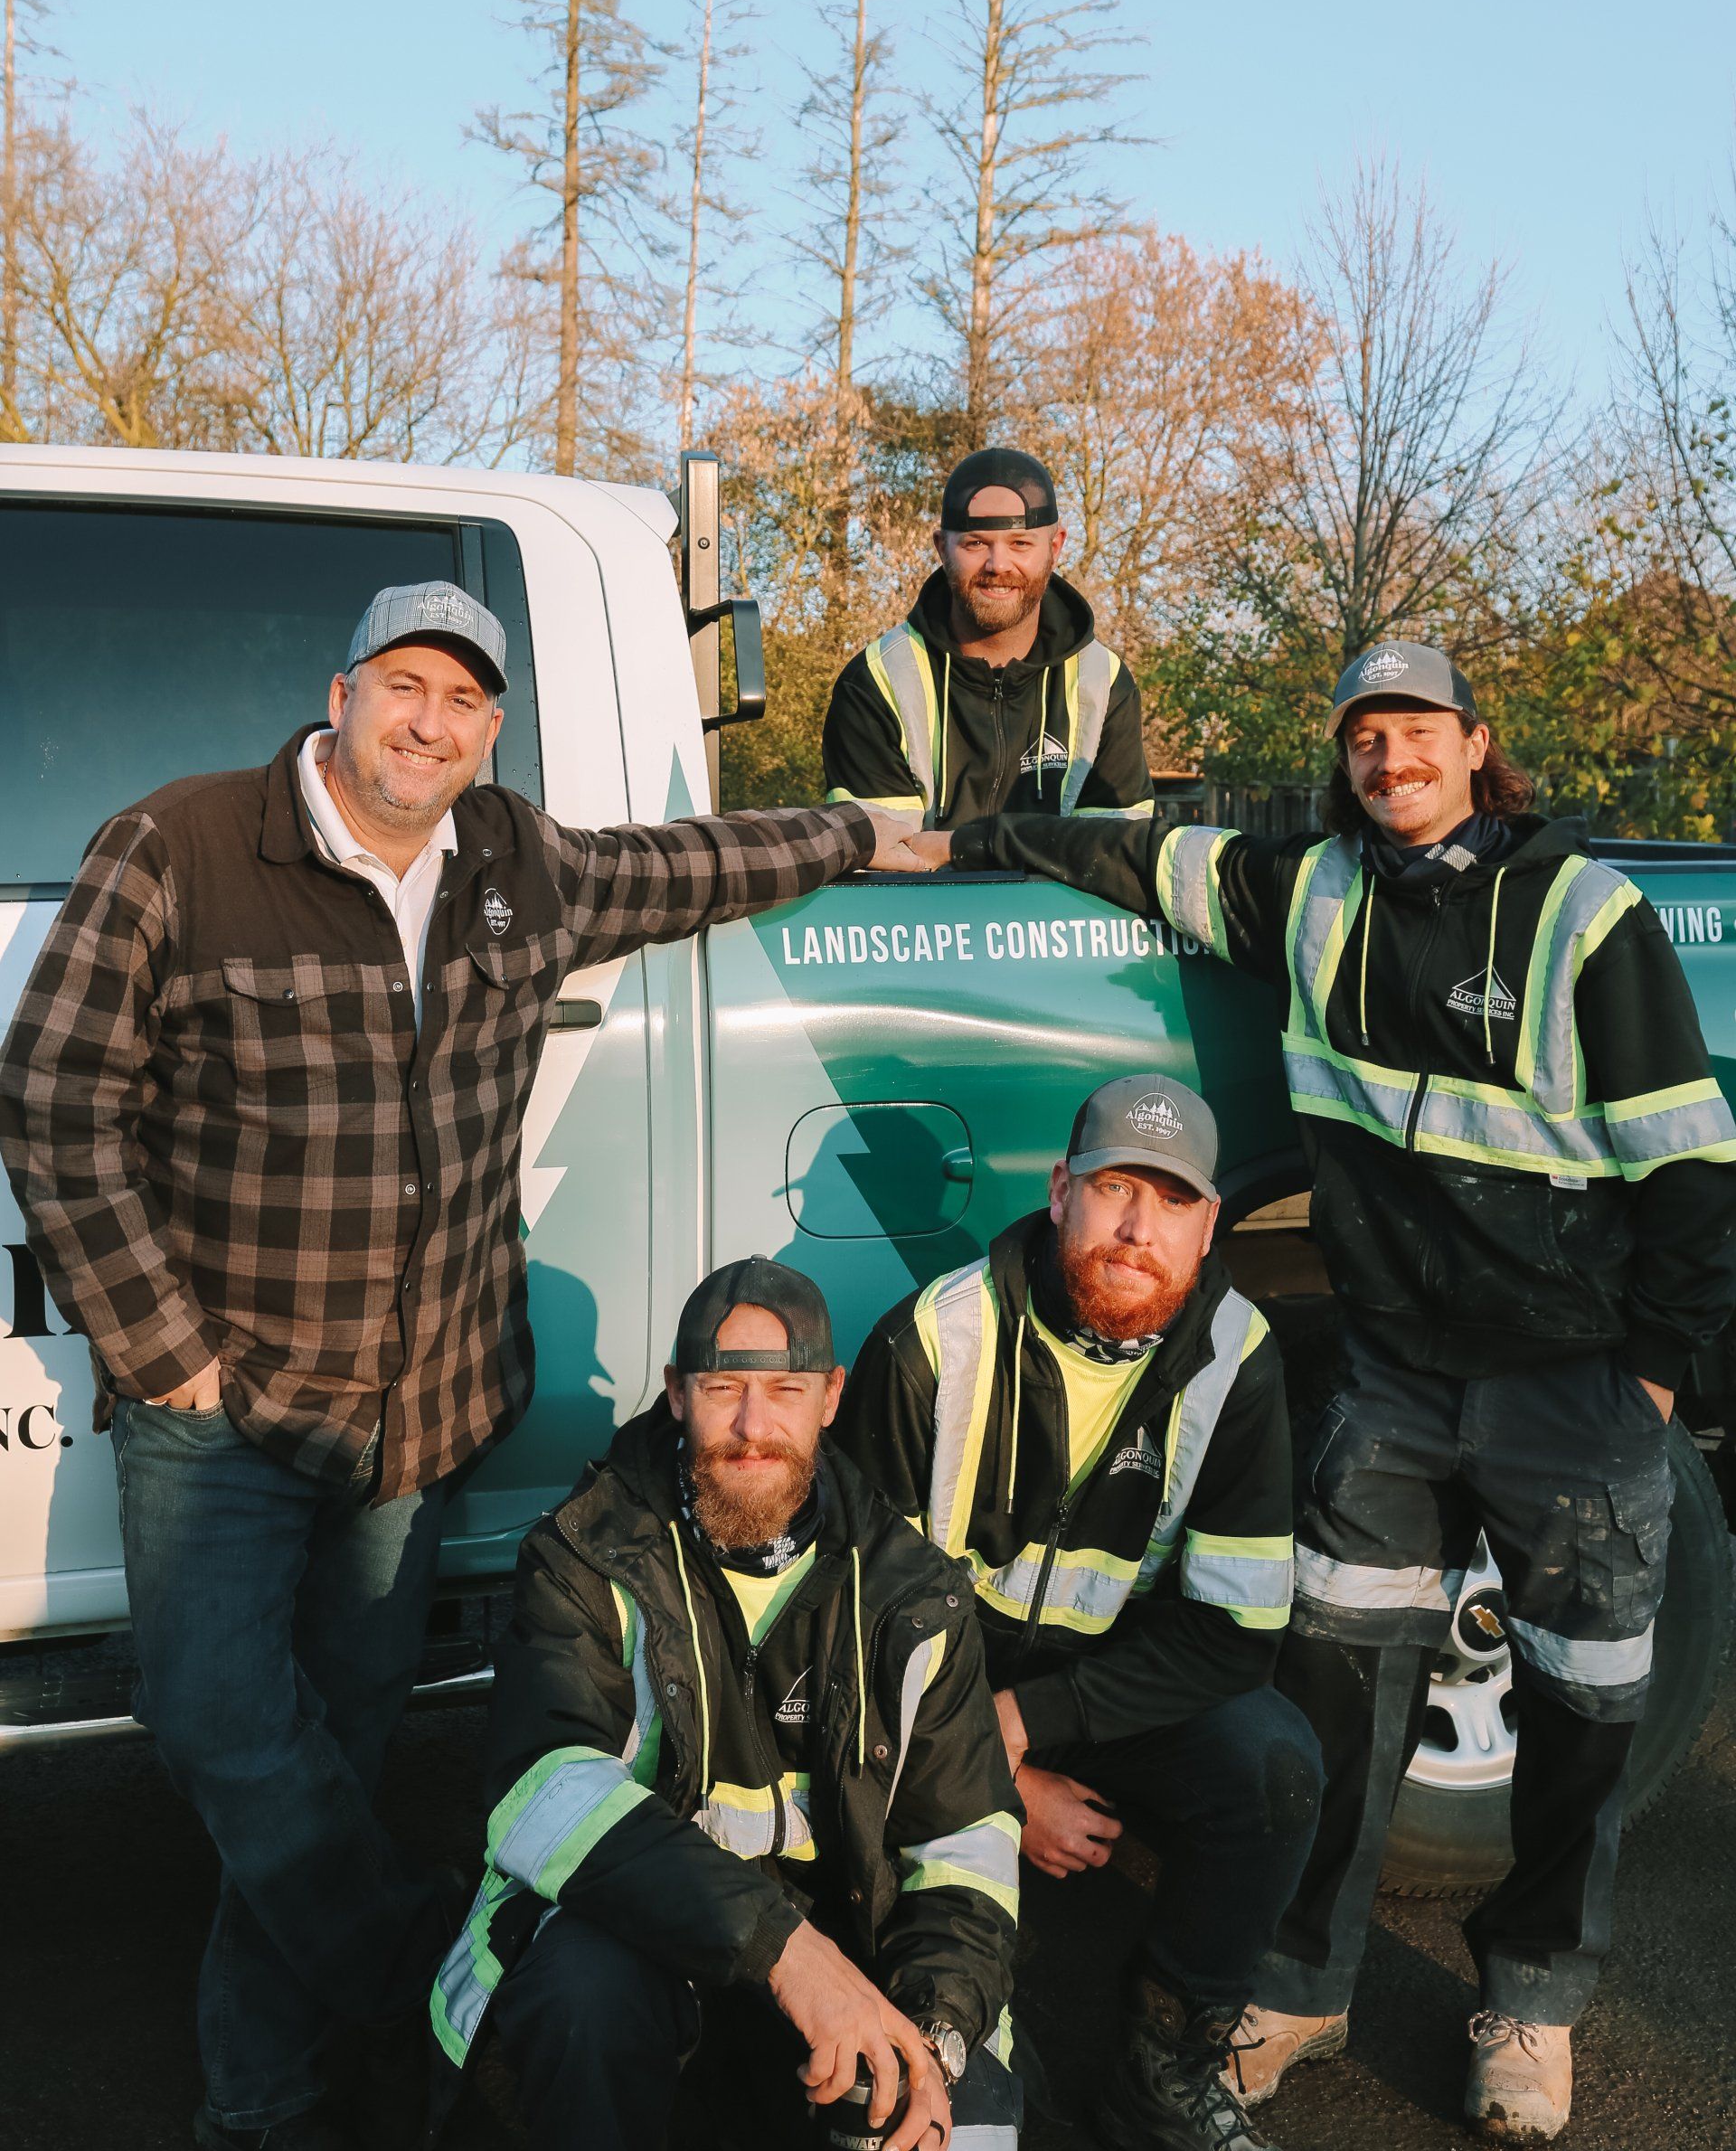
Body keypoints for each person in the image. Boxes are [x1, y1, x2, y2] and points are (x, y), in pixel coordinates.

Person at [0, 580, 919, 2151]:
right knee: (221, 1723)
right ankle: (438, 1973)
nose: (431, 724)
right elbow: (53, 1096)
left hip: (416, 1414)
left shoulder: (514, 859)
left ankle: (264, 2102)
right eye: (405, 688)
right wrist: (161, 1347)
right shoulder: (181, 846)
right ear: (342, 691)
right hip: (221, 1402)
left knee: (336, 1757)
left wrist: (854, 835)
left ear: (494, 730)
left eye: (466, 703)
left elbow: (681, 867)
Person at [927, 638, 1736, 2141]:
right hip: (1392, 1376)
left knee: (1582, 1710)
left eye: (1418, 729)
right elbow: (1138, 854)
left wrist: (1656, 1374)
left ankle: (1535, 2006)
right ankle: (1302, 1985)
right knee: (1336, 1690)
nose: (1391, 760)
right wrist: (970, 836)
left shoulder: (1582, 915)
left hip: (1574, 1384)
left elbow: (1688, 1155)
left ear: (1476, 744)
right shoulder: (1311, 893)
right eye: (1366, 736)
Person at [833, 1073, 1323, 2151]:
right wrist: (999, 1773)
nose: (1137, 1229)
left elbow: (1237, 1633)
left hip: (1089, 1696)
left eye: (1173, 1201)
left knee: (1273, 1767)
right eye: (1112, 1189)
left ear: (1210, 1228)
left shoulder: (1237, 1357)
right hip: (928, 1703)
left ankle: (1165, 2067)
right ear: (1060, 1193)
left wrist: (1038, 1723)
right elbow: (855, 1637)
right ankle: (976, 2023)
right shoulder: (932, 1341)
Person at [433, 1257, 1022, 2151]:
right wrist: (784, 1948)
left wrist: (929, 2037)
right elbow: (542, 1794)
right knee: (580, 1998)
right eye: (723, 1389)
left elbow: (966, 1851)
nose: (753, 1428)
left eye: (785, 1390)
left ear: (831, 1398)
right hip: (654, 1948)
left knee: (956, 2125)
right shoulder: (581, 1557)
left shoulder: (915, 1594)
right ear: (676, 1394)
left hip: (842, 1963)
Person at [821, 447, 1153, 826]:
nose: (998, 565)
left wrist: (960, 847)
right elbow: (884, 861)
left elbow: (1114, 857)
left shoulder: (1105, 683)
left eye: (1020, 543)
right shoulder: (874, 683)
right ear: (942, 548)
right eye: (975, 543)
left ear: (1055, 547)